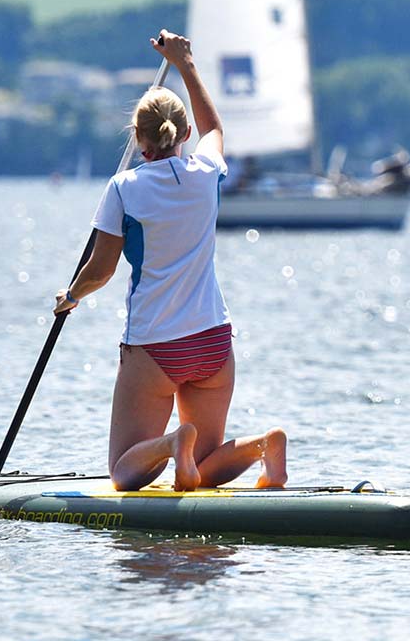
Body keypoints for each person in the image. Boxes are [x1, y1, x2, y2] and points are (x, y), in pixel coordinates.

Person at [55, 30, 288, 492]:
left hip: (155, 347)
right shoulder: (206, 174)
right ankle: (264, 444)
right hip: (213, 343)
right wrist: (185, 64)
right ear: (183, 135)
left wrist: (70, 296)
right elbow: (215, 131)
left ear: (139, 140)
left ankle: (171, 444)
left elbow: (101, 271)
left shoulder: (124, 188)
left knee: (123, 473)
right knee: (201, 473)